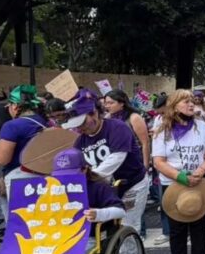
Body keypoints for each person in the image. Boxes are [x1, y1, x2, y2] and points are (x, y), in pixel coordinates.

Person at [63, 89, 151, 239]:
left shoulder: (117, 127)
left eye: (82, 122)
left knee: (128, 228)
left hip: (132, 184)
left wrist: (91, 176)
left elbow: (116, 158)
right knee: (106, 232)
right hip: (106, 190)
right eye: (76, 125)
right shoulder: (80, 141)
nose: (80, 128)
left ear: (94, 113)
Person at [153, 90, 205, 254]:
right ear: (173, 106)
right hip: (173, 185)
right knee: (177, 229)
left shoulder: (201, 126)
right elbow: (158, 161)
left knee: (199, 226)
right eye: (185, 102)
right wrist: (181, 177)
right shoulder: (162, 129)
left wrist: (201, 170)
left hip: (199, 182)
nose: (191, 105)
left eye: (192, 101)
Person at [0, 85, 49, 189]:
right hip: (44, 177)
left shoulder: (11, 126)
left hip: (19, 180)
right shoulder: (44, 122)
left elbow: (3, 160)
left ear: (14, 106)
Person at [103, 90, 152, 171]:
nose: (107, 106)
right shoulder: (107, 118)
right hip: (116, 162)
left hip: (135, 160)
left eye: (111, 103)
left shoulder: (134, 117)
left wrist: (145, 166)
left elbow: (145, 143)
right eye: (106, 103)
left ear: (122, 103)